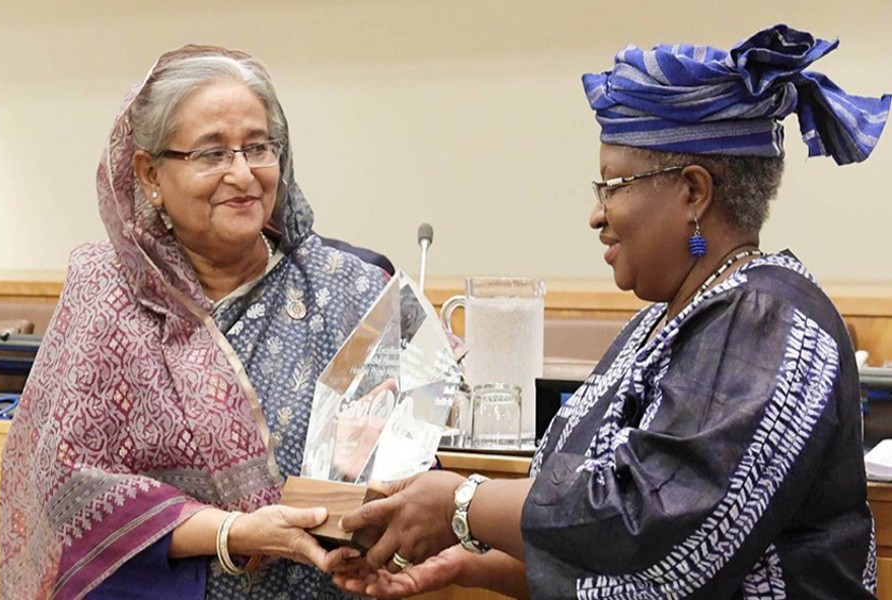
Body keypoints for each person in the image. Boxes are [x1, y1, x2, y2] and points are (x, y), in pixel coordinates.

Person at [333, 24, 891, 599]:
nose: (597, 215)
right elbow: (603, 555)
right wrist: (461, 565)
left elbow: (652, 523)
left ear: (694, 191)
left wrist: (463, 502)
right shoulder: (665, 319)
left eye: (613, 186)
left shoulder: (764, 319)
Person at [0, 45, 391, 599]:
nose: (242, 173)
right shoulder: (108, 293)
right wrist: (232, 531)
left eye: (258, 147)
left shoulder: (346, 289)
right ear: (150, 173)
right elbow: (67, 490)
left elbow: (414, 438)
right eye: (211, 154)